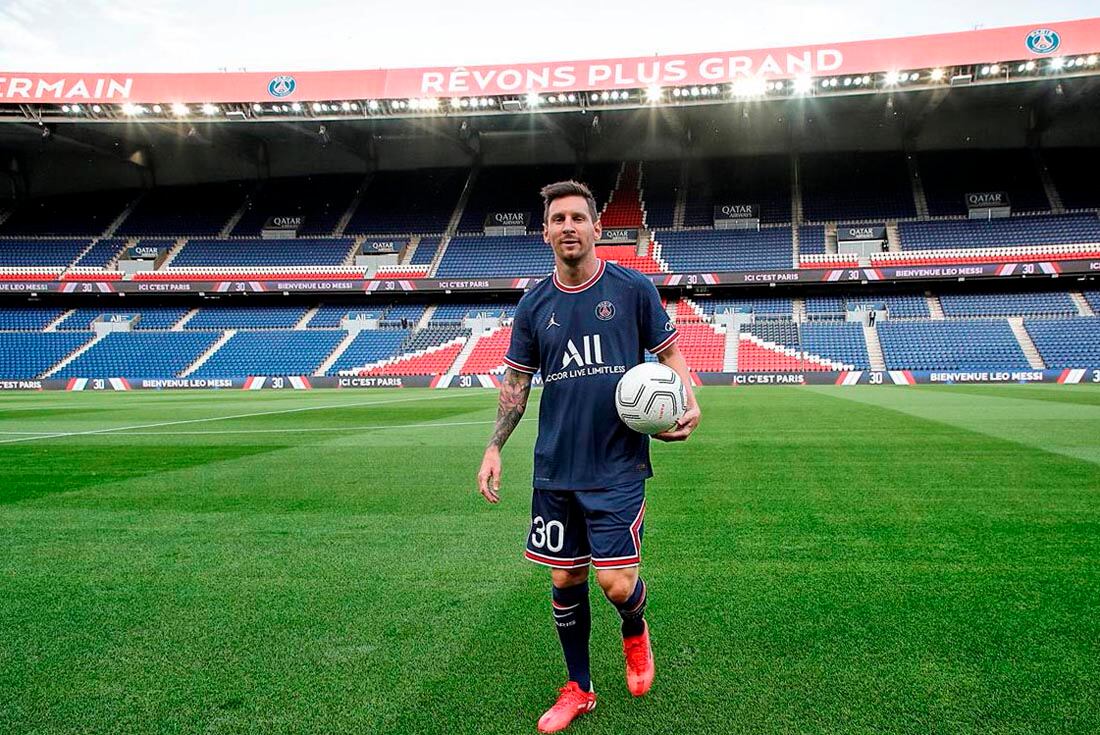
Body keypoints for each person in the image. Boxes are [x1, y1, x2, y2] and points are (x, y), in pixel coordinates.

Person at [476, 180, 701, 733]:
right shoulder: (533, 305)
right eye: (560, 219)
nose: (569, 227)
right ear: (546, 231)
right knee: (565, 579)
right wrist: (494, 445)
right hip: (555, 465)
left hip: (618, 463)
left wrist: (688, 402)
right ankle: (579, 687)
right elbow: (516, 383)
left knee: (616, 584)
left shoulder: (632, 288)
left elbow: (669, 351)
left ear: (597, 228)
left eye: (579, 217)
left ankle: (634, 629)